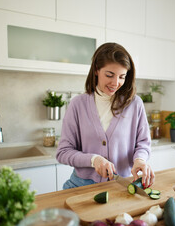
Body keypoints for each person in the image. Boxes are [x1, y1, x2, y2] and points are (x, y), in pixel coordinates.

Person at [57, 42, 155, 189]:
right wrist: (93, 160)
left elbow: (143, 143)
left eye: (122, 77)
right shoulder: (77, 104)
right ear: (96, 70)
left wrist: (140, 160)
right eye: (109, 75)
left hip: (122, 185)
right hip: (81, 186)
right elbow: (63, 152)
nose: (116, 83)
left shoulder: (135, 104)